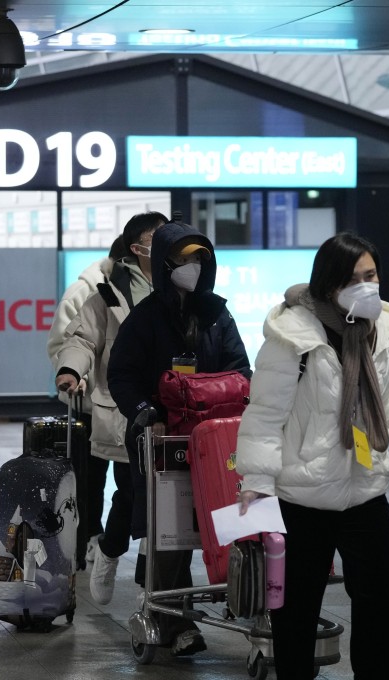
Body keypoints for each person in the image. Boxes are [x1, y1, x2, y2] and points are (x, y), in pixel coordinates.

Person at [235, 232, 389, 679]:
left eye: (371, 274)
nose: (367, 286)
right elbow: (264, 415)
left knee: (381, 598)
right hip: (303, 496)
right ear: (328, 284)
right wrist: (257, 483)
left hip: (364, 488)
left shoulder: (380, 330)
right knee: (297, 608)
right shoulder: (291, 337)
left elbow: (381, 399)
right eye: (354, 278)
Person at [107, 221, 251, 657]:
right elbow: (121, 375)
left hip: (216, 442)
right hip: (164, 440)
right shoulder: (145, 318)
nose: (192, 268)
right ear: (164, 263)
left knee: (238, 524)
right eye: (184, 260)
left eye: (199, 260)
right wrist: (144, 412)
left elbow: (240, 369)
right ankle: (176, 622)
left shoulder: (217, 315)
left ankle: (250, 602)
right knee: (171, 536)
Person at [53, 211, 166, 604]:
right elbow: (81, 338)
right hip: (126, 407)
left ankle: (154, 587)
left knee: (167, 499)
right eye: (156, 238)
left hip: (174, 408)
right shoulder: (106, 294)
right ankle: (109, 549)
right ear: (137, 248)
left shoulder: (182, 287)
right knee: (132, 492)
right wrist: (71, 369)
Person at [47, 234, 132, 567]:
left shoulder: (143, 292)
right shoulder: (84, 292)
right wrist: (77, 375)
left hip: (123, 404)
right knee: (88, 479)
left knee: (127, 480)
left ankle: (109, 540)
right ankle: (89, 536)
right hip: (87, 405)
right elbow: (62, 344)